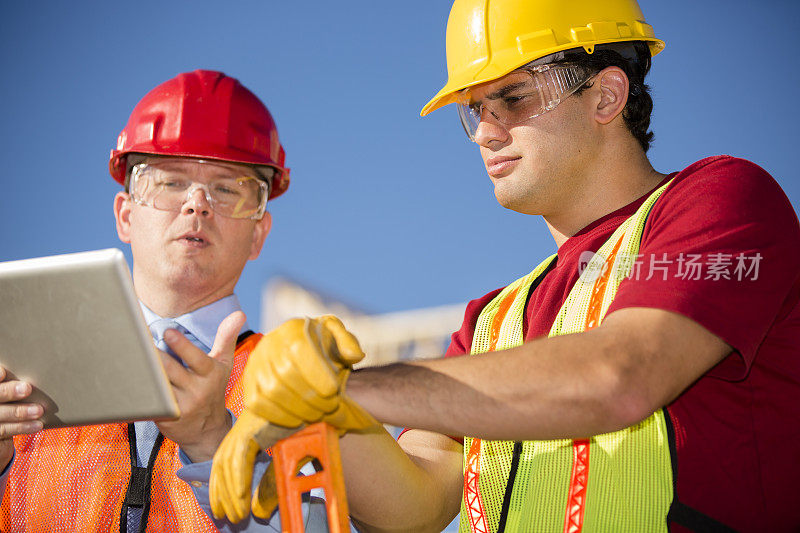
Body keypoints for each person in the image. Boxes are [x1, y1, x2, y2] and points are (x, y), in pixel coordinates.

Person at [209, 0, 800, 531]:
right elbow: (416, 502)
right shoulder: (493, 321)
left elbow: (618, 374)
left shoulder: (721, 201)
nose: (486, 133)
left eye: (513, 98)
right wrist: (316, 413)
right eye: (474, 110)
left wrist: (350, 387)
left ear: (606, 95)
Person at [0, 69, 329, 532]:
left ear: (258, 233)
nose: (197, 204)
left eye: (228, 188)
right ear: (125, 216)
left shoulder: (296, 385)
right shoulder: (25, 369)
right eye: (170, 182)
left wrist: (213, 442)